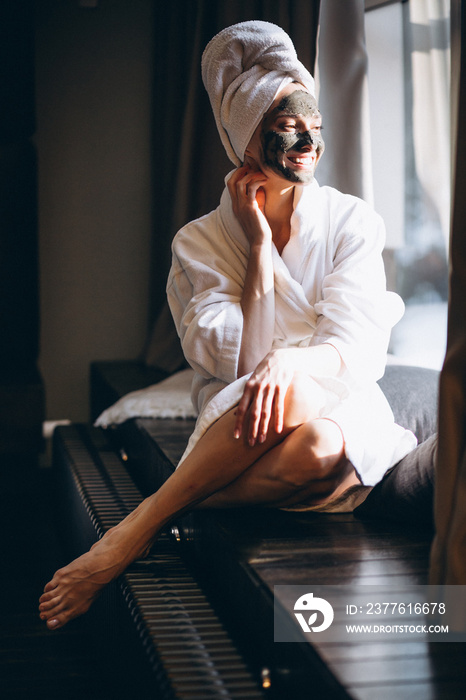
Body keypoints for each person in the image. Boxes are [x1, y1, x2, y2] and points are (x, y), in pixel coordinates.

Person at [39, 20, 418, 631]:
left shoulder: (353, 221)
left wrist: (294, 362)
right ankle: (144, 529)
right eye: (285, 130)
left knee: (321, 439)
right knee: (280, 392)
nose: (307, 144)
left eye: (313, 125)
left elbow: (355, 346)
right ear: (244, 144)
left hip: (333, 404)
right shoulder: (200, 242)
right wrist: (260, 247)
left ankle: (146, 521)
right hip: (245, 419)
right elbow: (242, 366)